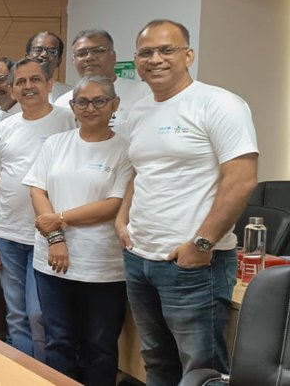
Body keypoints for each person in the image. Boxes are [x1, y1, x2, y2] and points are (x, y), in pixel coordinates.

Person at [115, 19, 258, 385]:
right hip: (140, 258)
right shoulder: (140, 110)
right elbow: (140, 171)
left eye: (167, 50)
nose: (156, 59)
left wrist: (202, 243)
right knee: (156, 361)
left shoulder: (220, 103)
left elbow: (241, 181)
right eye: (146, 52)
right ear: (136, 59)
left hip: (193, 265)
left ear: (188, 55)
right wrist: (122, 218)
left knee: (201, 370)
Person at [24, 75, 132, 386]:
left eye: (100, 100)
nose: (91, 107)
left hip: (103, 266)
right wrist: (56, 237)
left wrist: (58, 219)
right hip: (52, 262)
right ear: (72, 107)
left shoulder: (125, 149)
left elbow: (113, 204)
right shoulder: (57, 143)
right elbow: (37, 190)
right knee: (59, 340)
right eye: (82, 101)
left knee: (100, 345)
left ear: (115, 104)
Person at [0, 58, 77, 360]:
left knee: (40, 314)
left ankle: (45, 374)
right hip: (8, 235)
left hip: (50, 236)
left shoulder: (69, 121)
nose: (27, 86)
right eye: (20, 82)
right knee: (16, 315)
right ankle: (20, 372)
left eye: (35, 79)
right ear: (12, 88)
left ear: (50, 84)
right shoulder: (4, 128)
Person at [54, 29, 152, 127]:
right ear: (73, 61)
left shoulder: (144, 93)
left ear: (113, 56)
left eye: (98, 51)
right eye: (82, 53)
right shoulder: (62, 103)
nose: (89, 58)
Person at [24, 31, 73, 101]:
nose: (44, 54)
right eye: (38, 50)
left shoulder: (72, 95)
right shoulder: (13, 93)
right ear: (26, 58)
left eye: (52, 51)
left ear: (59, 61)